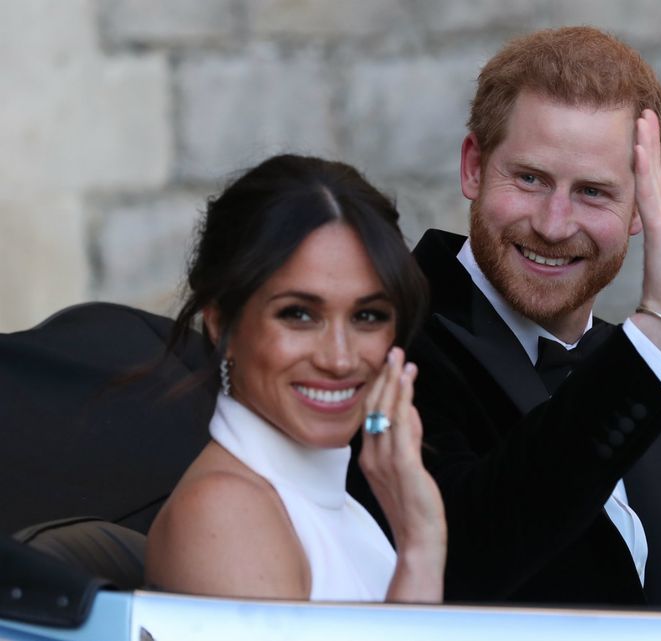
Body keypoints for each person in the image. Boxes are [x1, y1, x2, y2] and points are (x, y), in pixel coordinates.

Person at [348, 26, 661, 606]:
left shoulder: (622, 358)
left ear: (639, 209)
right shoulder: (388, 334)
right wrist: (658, 329)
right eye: (529, 179)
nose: (554, 224)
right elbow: (462, 561)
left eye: (594, 193)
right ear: (474, 167)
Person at [145, 154, 446, 603]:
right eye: (299, 315)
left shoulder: (337, 506)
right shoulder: (225, 514)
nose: (340, 359)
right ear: (220, 323)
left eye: (367, 316)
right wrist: (421, 550)